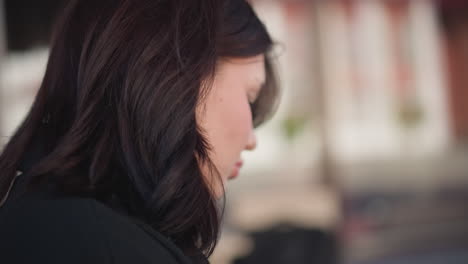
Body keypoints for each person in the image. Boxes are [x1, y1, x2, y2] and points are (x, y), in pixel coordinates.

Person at [0, 0, 279, 263]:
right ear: (180, 75)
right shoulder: (99, 245)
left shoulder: (39, 216)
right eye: (250, 96)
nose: (251, 140)